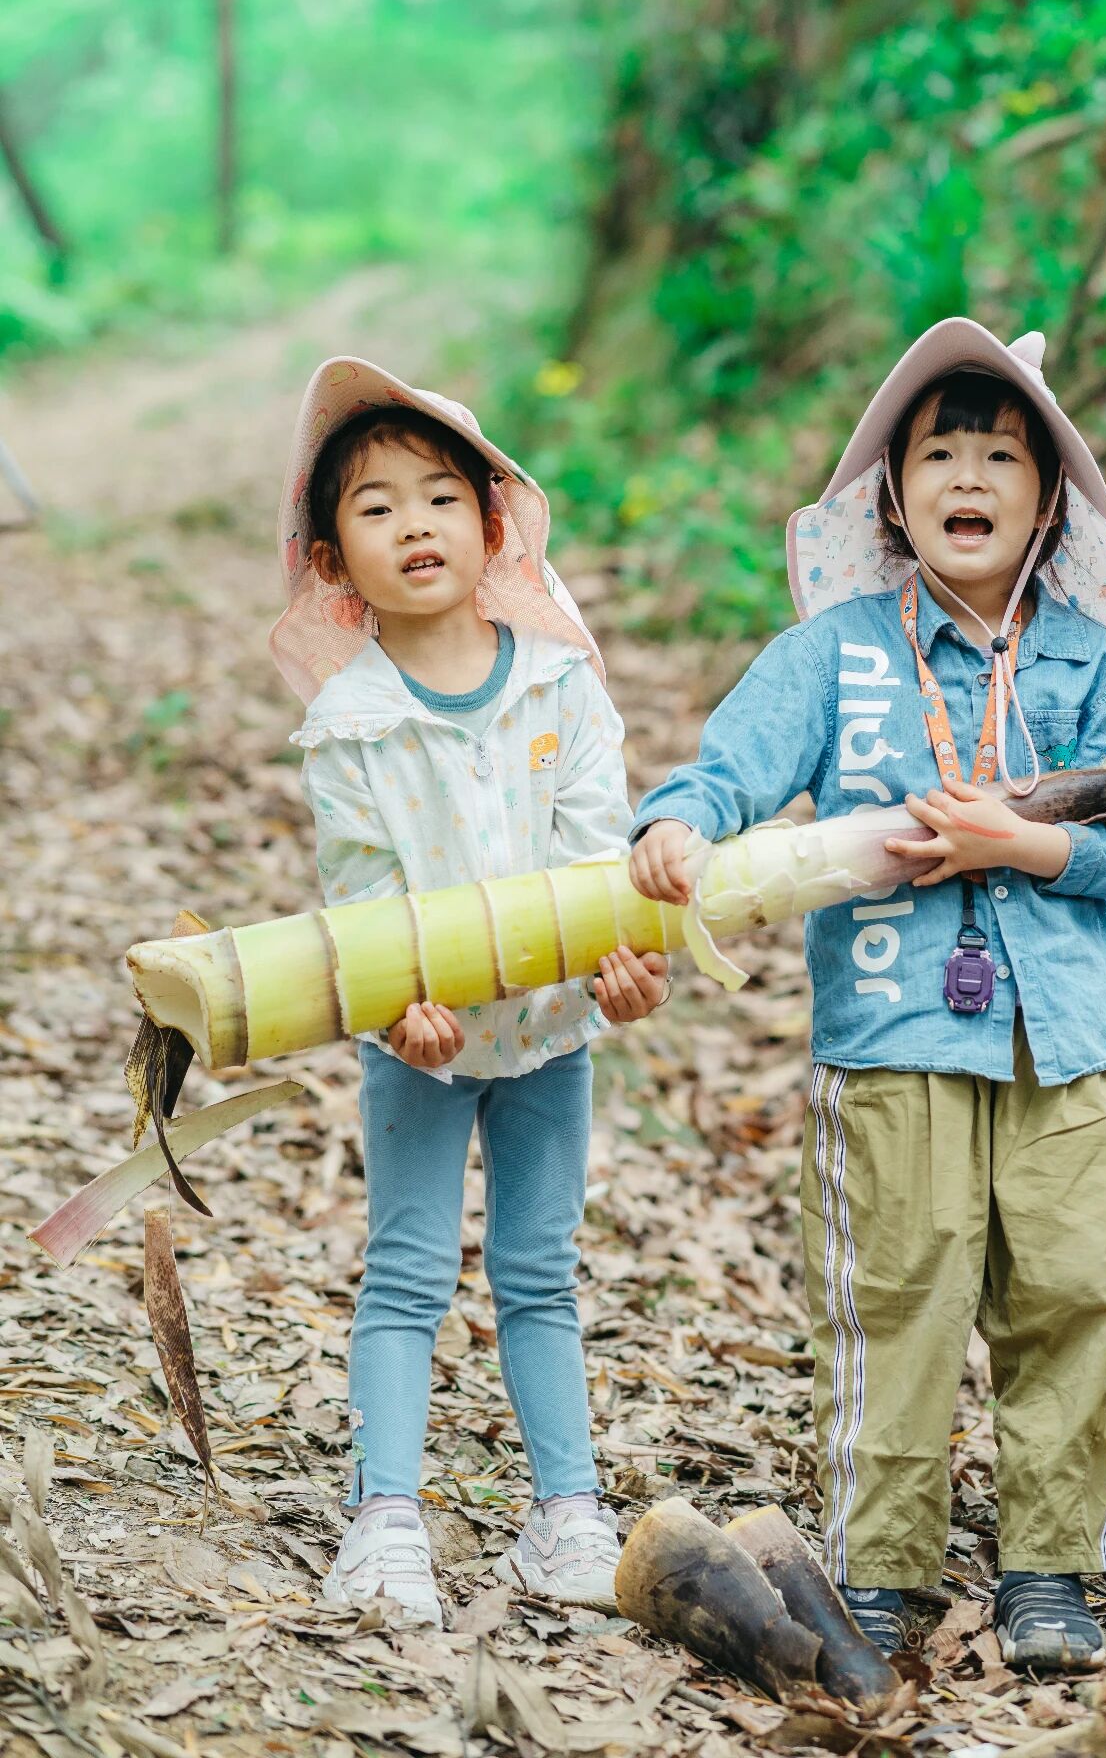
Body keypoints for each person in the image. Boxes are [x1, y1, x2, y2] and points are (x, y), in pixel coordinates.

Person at [629, 322, 1106, 1670]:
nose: (968, 475)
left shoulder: (1090, 665)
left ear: (1047, 506)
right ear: (891, 499)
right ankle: (881, 1568)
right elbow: (732, 765)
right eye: (939, 454)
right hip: (895, 1033)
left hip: (1063, 1042)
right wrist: (679, 821)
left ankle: (1049, 1568)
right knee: (900, 1297)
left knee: (1069, 1294)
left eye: (1002, 457)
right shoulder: (837, 654)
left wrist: (1018, 844)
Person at [270, 356, 667, 1627]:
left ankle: (567, 1513)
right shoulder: (350, 722)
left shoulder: (558, 682)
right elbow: (363, 892)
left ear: (491, 526)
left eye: (440, 496)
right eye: (375, 506)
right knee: (405, 1271)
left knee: (539, 1271)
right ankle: (385, 1519)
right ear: (332, 559)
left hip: (549, 1036)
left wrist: (621, 969)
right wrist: (396, 1009)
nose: (414, 524)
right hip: (421, 1042)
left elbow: (597, 859)